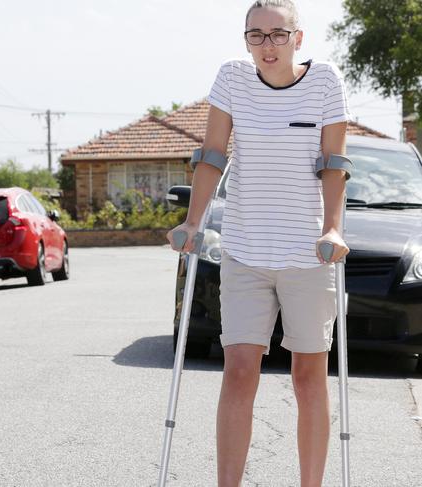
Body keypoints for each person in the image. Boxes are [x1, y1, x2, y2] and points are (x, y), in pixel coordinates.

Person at [165, 1, 353, 486]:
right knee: (239, 369)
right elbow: (211, 155)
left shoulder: (326, 82)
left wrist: (333, 229)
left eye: (277, 34)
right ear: (245, 39)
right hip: (245, 250)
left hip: (307, 253)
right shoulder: (232, 79)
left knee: (308, 376)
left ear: (298, 37)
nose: (267, 46)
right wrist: (193, 222)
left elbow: (334, 164)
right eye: (256, 35)